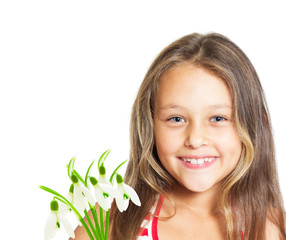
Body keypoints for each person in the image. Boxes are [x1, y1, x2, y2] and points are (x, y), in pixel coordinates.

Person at [74, 33, 286, 240]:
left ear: (256, 125)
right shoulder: (107, 226)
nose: (195, 139)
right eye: (176, 119)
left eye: (218, 118)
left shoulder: (278, 230)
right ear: (149, 125)